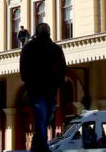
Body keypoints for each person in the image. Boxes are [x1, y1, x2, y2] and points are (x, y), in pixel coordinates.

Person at [19, 23, 66, 152]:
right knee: (42, 115)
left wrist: (59, 82)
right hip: (36, 89)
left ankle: (37, 142)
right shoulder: (29, 48)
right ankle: (42, 145)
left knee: (48, 115)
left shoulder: (55, 49)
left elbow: (62, 67)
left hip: (50, 89)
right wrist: (27, 80)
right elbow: (23, 66)